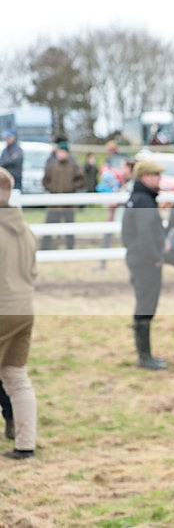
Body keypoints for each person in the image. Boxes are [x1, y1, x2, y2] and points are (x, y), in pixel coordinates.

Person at [0, 167, 38, 460]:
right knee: (16, 377)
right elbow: (32, 272)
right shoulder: (26, 231)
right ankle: (25, 444)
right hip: (24, 309)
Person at [121, 161, 168, 370]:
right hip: (146, 261)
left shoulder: (139, 198)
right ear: (145, 176)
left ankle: (144, 353)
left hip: (139, 259)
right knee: (146, 304)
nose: (159, 178)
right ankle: (144, 356)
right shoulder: (144, 200)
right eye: (155, 175)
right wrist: (156, 256)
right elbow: (146, 233)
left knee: (144, 302)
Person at [41, 140, 85, 250]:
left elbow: (81, 180)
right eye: (58, 152)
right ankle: (45, 248)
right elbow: (45, 181)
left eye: (62, 152)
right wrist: (51, 188)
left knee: (69, 227)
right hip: (54, 203)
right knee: (49, 226)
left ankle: (70, 248)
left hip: (68, 203)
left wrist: (72, 187)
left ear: (67, 153)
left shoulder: (73, 166)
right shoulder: (51, 166)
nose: (60, 154)